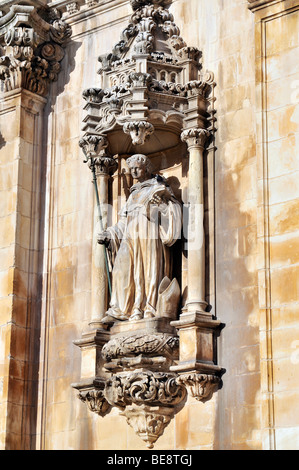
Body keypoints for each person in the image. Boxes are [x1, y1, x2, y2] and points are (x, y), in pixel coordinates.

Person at [98, 154, 182, 322]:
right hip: (130, 235)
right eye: (132, 169)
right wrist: (110, 233)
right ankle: (121, 309)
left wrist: (162, 205)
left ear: (146, 168)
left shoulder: (157, 186)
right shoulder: (132, 195)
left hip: (148, 233)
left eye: (137, 168)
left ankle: (147, 308)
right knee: (121, 268)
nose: (134, 172)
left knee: (149, 269)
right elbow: (123, 221)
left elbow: (172, 211)